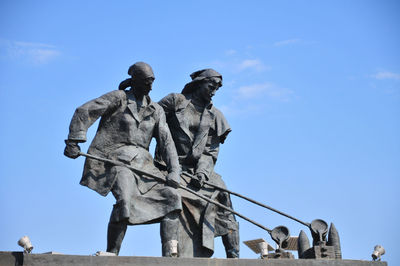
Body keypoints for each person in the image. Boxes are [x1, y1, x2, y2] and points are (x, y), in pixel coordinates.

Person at [64, 62, 182, 257]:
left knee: (172, 197)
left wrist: (174, 172)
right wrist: (74, 140)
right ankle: (112, 253)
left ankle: (171, 254)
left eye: (152, 82)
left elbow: (167, 142)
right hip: (116, 161)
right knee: (125, 201)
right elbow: (85, 110)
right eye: (146, 82)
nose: (150, 87)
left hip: (145, 168)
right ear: (134, 81)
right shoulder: (118, 98)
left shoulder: (156, 110)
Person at [155, 69, 239, 258]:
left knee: (223, 196)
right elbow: (150, 119)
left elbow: (210, 151)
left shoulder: (215, 116)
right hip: (169, 167)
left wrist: (202, 173)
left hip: (199, 171)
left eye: (217, 88)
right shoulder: (175, 101)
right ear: (199, 84)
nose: (213, 91)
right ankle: (172, 251)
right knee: (172, 197)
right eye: (211, 86)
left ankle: (234, 256)